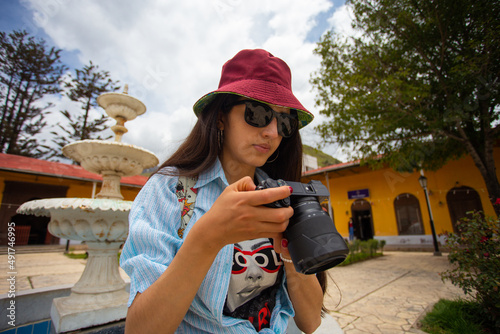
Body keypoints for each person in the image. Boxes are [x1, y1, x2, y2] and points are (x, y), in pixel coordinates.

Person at [120, 49, 326, 333]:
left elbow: (311, 321)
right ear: (220, 117)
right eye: (258, 114)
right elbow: (140, 329)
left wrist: (290, 251)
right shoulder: (172, 190)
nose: (273, 132)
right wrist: (209, 237)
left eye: (285, 121)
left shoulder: (283, 196)